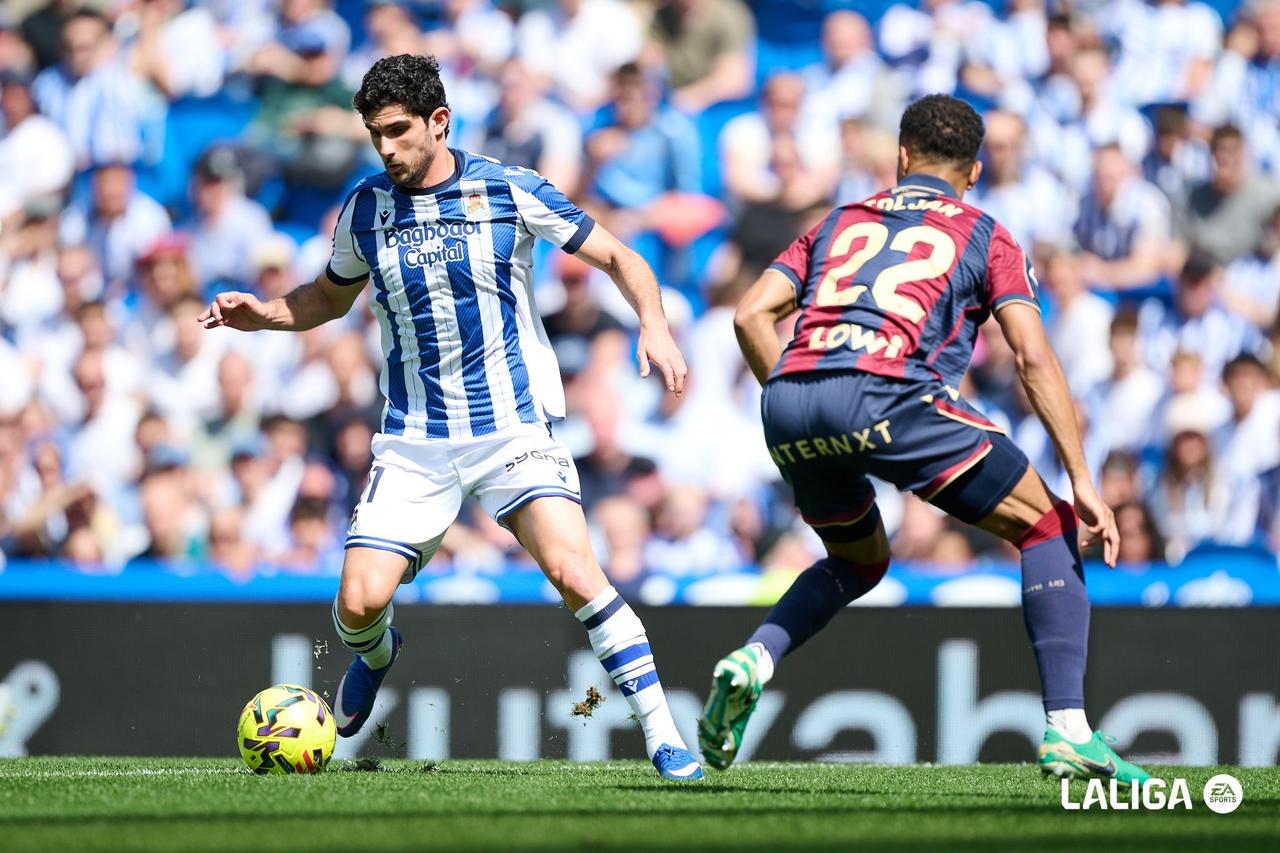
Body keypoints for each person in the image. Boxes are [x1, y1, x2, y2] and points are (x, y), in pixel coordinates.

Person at [198, 54, 701, 781]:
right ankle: (378, 654)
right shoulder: (366, 209)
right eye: (376, 134)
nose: (387, 147)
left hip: (513, 430)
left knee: (575, 570)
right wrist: (266, 315)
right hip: (413, 442)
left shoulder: (507, 189)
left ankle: (662, 734)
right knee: (359, 602)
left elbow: (621, 255)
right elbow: (327, 298)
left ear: (440, 122)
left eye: (399, 131)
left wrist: (652, 322)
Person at [699, 94, 1149, 786]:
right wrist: (1083, 476)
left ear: (901, 157)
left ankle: (754, 657)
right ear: (973, 171)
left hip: (791, 396)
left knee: (857, 560)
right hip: (891, 392)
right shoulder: (984, 232)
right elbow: (1031, 356)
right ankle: (1069, 730)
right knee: (1047, 525)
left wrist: (799, 401)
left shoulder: (838, 219)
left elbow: (751, 312)